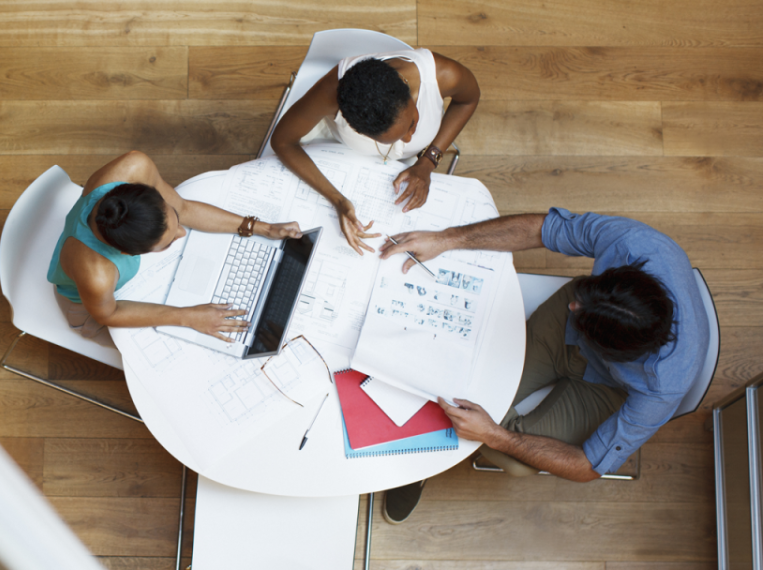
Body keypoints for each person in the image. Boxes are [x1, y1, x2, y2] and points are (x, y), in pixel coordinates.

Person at [375, 208, 709, 524]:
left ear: (616, 351)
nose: (574, 305)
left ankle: (437, 448)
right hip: (560, 334)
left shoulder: (662, 386)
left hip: (611, 389)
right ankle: (426, 459)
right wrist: (447, 239)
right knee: (457, 388)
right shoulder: (637, 245)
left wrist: (496, 436)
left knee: (511, 457)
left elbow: (587, 467)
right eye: (589, 292)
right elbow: (544, 228)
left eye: (585, 314)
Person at [47, 151, 302, 345]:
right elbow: (109, 314)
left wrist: (264, 228)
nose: (182, 232)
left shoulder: (135, 166)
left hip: (112, 278)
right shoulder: (96, 274)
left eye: (174, 222)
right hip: (85, 305)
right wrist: (187, 317)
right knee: (153, 344)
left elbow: (185, 208)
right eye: (167, 242)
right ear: (127, 253)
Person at [270, 47, 480, 255]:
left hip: (410, 167)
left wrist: (428, 160)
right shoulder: (330, 93)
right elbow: (282, 141)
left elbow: (468, 99)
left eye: (412, 123)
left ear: (405, 88)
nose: (410, 139)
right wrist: (338, 200)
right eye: (393, 138)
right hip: (339, 152)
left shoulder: (442, 75)